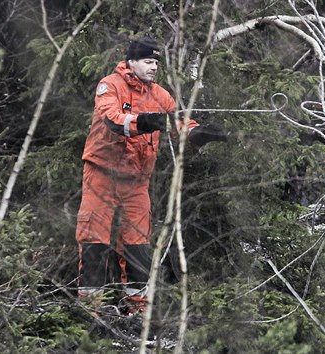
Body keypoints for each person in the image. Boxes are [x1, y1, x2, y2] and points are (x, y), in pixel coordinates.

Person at [75, 36, 226, 316]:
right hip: (101, 175)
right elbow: (112, 119)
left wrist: (198, 134)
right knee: (94, 241)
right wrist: (143, 121)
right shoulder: (110, 85)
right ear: (131, 62)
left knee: (138, 245)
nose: (154, 67)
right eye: (148, 61)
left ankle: (138, 311)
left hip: (136, 181)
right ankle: (89, 311)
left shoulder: (161, 95)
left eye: (156, 62)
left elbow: (179, 123)